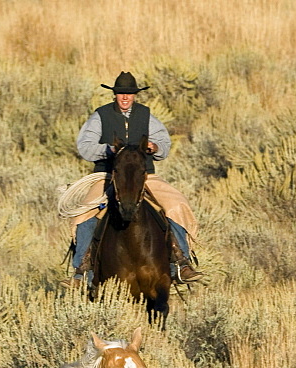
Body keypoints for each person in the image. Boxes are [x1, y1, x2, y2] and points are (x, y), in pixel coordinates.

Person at [67, 71, 203, 285]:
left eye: (129, 94)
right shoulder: (100, 115)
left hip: (144, 175)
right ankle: (82, 270)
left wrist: (154, 147)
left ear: (135, 95)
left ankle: (180, 262)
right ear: (115, 94)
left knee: (176, 206)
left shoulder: (147, 116)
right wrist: (109, 150)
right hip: (108, 175)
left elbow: (164, 145)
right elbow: (84, 146)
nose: (125, 98)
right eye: (121, 93)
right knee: (85, 214)